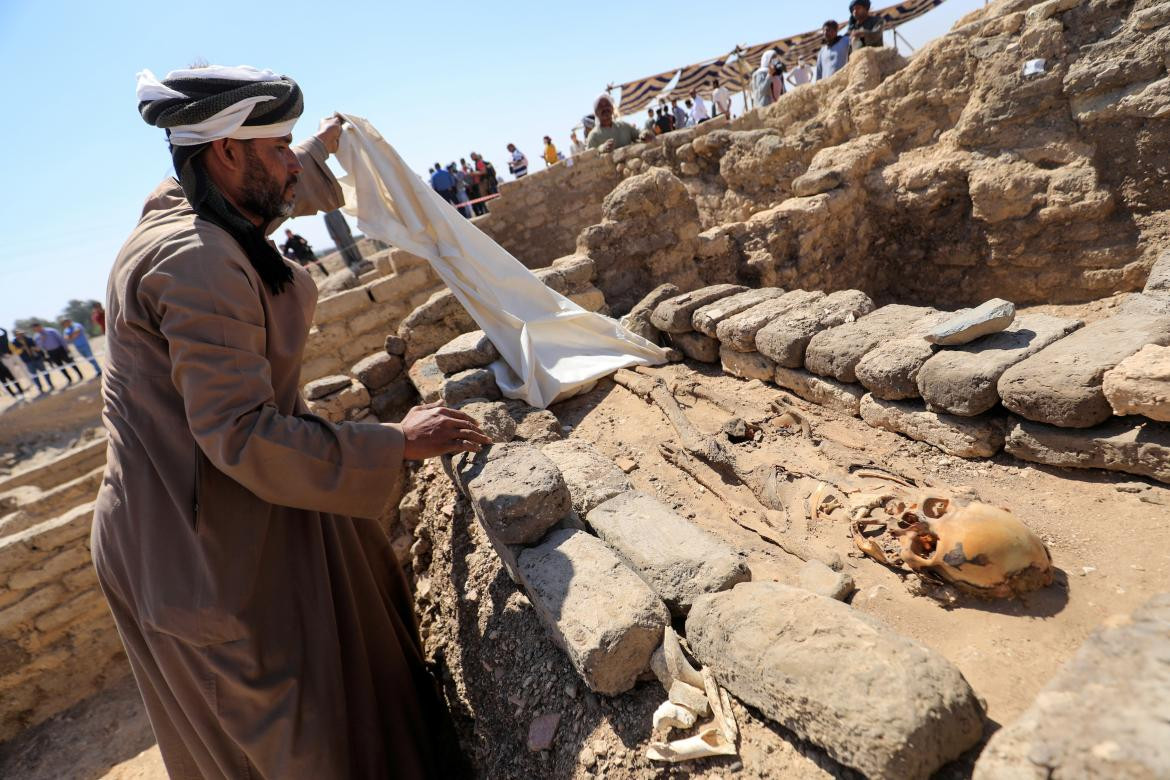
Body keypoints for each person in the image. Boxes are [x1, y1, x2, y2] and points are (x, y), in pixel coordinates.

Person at [103, 63, 490, 778]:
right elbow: (240, 434)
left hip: (241, 506)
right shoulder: (194, 259)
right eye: (277, 148)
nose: (291, 166)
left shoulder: (201, 202)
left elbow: (268, 194)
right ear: (224, 151)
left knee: (359, 692)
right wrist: (394, 443)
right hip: (203, 545)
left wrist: (318, 150)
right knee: (304, 738)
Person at [10, 328, 50, 393]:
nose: (20, 335)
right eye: (18, 334)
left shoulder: (29, 339)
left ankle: (50, 384)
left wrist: (35, 349)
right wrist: (22, 349)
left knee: (44, 372)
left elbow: (37, 347)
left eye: (21, 333)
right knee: (34, 376)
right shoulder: (13, 343)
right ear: (15, 335)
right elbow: (15, 352)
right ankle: (40, 389)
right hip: (28, 361)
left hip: (37, 358)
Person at [0, 327, 26, 401]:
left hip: (5, 367)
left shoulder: (3, 338)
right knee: (5, 383)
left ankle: (21, 391)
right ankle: (13, 395)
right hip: (2, 369)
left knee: (13, 379)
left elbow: (5, 332)